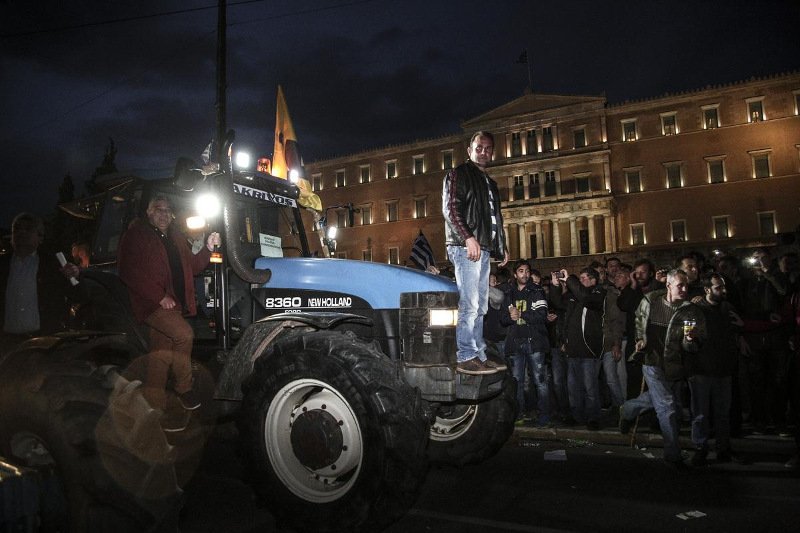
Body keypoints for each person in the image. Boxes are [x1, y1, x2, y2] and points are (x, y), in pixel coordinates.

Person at [117, 195, 221, 414]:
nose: (163, 214)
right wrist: (158, 296)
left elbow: (192, 266)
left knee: (160, 357)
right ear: (148, 212)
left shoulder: (176, 237)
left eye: (167, 210)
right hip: (153, 304)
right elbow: (128, 271)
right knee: (184, 334)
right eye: (158, 209)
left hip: (174, 304)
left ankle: (153, 407)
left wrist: (208, 250)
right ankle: (184, 389)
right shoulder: (136, 235)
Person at [443, 130, 510, 375]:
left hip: (482, 247)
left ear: (492, 152)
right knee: (470, 303)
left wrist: (500, 247)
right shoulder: (458, 174)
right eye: (478, 147)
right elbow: (451, 209)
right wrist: (467, 237)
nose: (483, 152)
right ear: (469, 150)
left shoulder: (490, 183)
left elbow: (494, 219)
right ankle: (465, 355)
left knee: (481, 305)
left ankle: (478, 353)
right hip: (466, 246)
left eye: (487, 148)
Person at [620, 269, 697, 468]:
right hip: (652, 361)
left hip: (674, 363)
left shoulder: (689, 310)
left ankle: (627, 410)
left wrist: (690, 340)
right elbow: (638, 320)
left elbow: (692, 345)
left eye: (686, 285)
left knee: (655, 399)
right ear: (668, 285)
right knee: (667, 406)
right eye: (680, 285)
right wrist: (639, 339)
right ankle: (672, 452)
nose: (684, 289)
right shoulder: (651, 301)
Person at [684, 272, 743, 466]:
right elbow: (688, 342)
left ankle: (723, 448)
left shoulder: (727, 308)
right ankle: (700, 448)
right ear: (707, 289)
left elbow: (735, 332)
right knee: (700, 413)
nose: (723, 291)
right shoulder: (695, 310)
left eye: (723, 287)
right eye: (719, 287)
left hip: (723, 368)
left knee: (722, 413)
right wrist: (690, 339)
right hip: (701, 369)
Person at [737, 248, 790, 434]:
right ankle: (759, 420)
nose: (758, 261)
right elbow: (740, 310)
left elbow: (784, 291)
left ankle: (779, 420)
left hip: (776, 336)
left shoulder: (778, 277)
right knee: (756, 380)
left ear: (770, 258)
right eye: (755, 258)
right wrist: (741, 336)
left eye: (762, 257)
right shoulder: (746, 282)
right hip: (754, 337)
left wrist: (769, 274)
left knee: (778, 380)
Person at [0, 212, 72, 346]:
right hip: (6, 343)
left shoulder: (52, 264)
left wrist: (75, 276)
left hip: (43, 342)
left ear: (40, 237)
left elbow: (79, 295)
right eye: (16, 229)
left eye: (28, 229)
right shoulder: (2, 265)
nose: (21, 233)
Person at [551, 267, 606, 430]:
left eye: (584, 278)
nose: (581, 281)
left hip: (589, 350)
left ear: (594, 280)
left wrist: (570, 279)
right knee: (573, 387)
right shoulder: (573, 296)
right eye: (579, 278)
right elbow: (558, 303)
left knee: (590, 387)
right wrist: (555, 286)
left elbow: (585, 297)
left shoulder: (597, 294)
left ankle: (593, 418)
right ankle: (577, 416)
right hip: (573, 350)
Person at [501, 260, 550, 425]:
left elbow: (542, 315)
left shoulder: (536, 291)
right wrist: (510, 317)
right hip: (515, 343)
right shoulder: (509, 293)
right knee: (517, 382)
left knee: (540, 380)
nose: (525, 274)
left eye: (527, 271)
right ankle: (519, 414)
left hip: (534, 342)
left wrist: (521, 314)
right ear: (515, 274)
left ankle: (544, 416)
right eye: (521, 271)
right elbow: (503, 318)